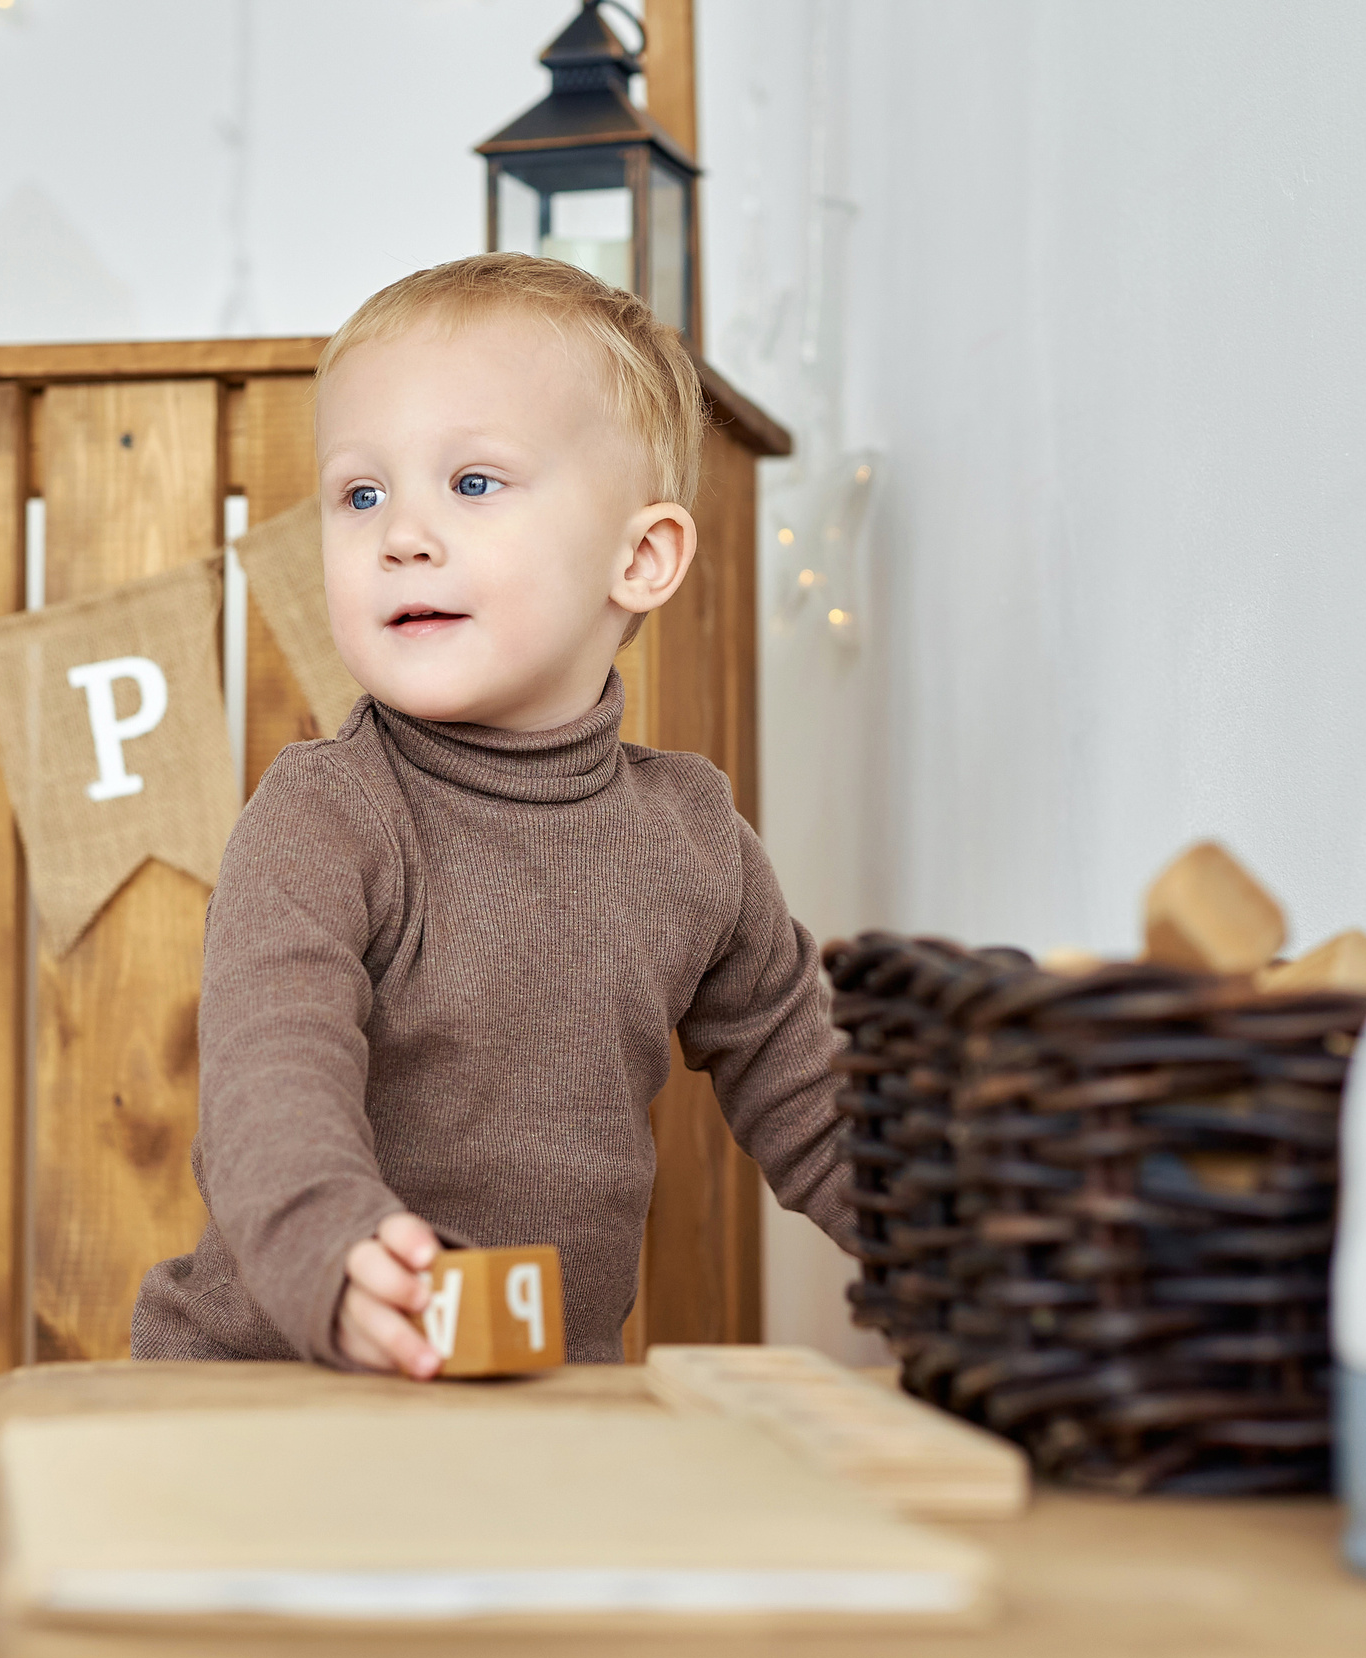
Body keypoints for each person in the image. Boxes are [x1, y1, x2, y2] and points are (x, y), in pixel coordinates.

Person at [131, 252, 850, 1377]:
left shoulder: (691, 838)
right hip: (275, 1378)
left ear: (642, 556)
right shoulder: (327, 814)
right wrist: (337, 1246)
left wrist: (986, 1247)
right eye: (360, 494)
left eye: (472, 483)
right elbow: (266, 1074)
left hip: (536, 1392)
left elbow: (819, 1102)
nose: (399, 533)